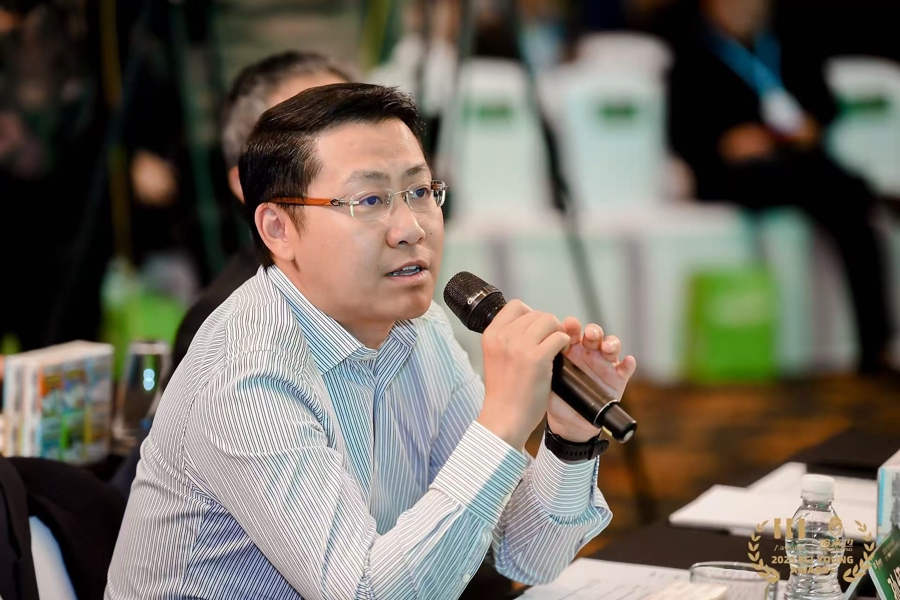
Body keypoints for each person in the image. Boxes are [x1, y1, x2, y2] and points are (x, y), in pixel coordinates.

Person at [105, 83, 635, 599]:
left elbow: (526, 557)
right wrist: (502, 421)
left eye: (420, 192)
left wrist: (569, 439)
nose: (411, 228)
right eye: (370, 199)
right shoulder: (247, 372)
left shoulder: (419, 329)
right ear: (278, 229)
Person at [666, 0, 895, 374]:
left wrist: (809, 126)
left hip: (798, 162)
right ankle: (869, 193)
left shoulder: (789, 43)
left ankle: (877, 346)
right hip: (734, 175)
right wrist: (726, 142)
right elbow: (682, 133)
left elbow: (824, 105)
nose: (745, 8)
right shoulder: (692, 54)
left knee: (850, 213)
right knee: (840, 190)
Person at [168, 51, 353, 377]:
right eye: (311, 141)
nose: (353, 157)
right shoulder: (221, 327)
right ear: (247, 183)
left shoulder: (388, 294)